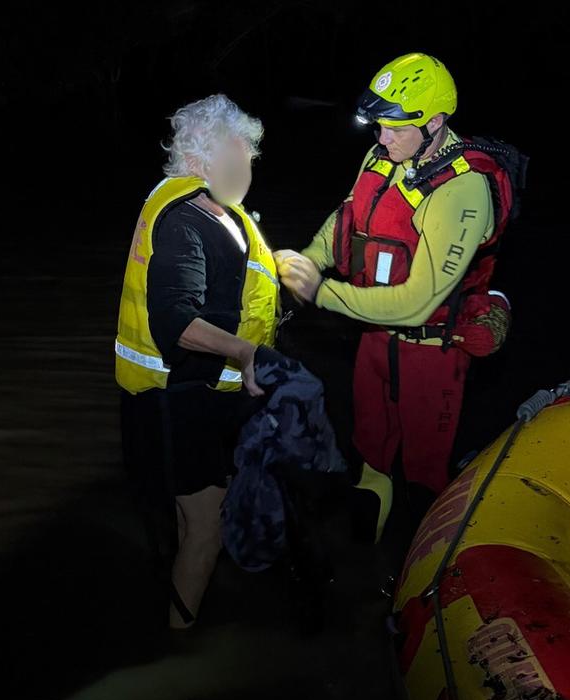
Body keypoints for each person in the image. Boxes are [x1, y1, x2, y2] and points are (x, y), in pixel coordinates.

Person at [276, 53, 522, 544]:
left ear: (434, 122)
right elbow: (345, 221)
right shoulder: (382, 155)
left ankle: (425, 571)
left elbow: (415, 303)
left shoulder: (463, 191)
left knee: (425, 473)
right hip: (373, 342)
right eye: (378, 127)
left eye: (395, 129)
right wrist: (309, 259)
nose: (382, 139)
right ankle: (364, 570)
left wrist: (321, 292)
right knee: (369, 452)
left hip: (432, 353)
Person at [115, 94, 281, 629]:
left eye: (249, 158)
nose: (247, 170)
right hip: (175, 403)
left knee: (196, 519)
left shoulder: (200, 209)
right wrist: (245, 351)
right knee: (206, 528)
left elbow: (231, 283)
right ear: (198, 161)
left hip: (188, 400)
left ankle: (171, 608)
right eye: (239, 159)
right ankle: (177, 642)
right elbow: (175, 323)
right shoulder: (185, 223)